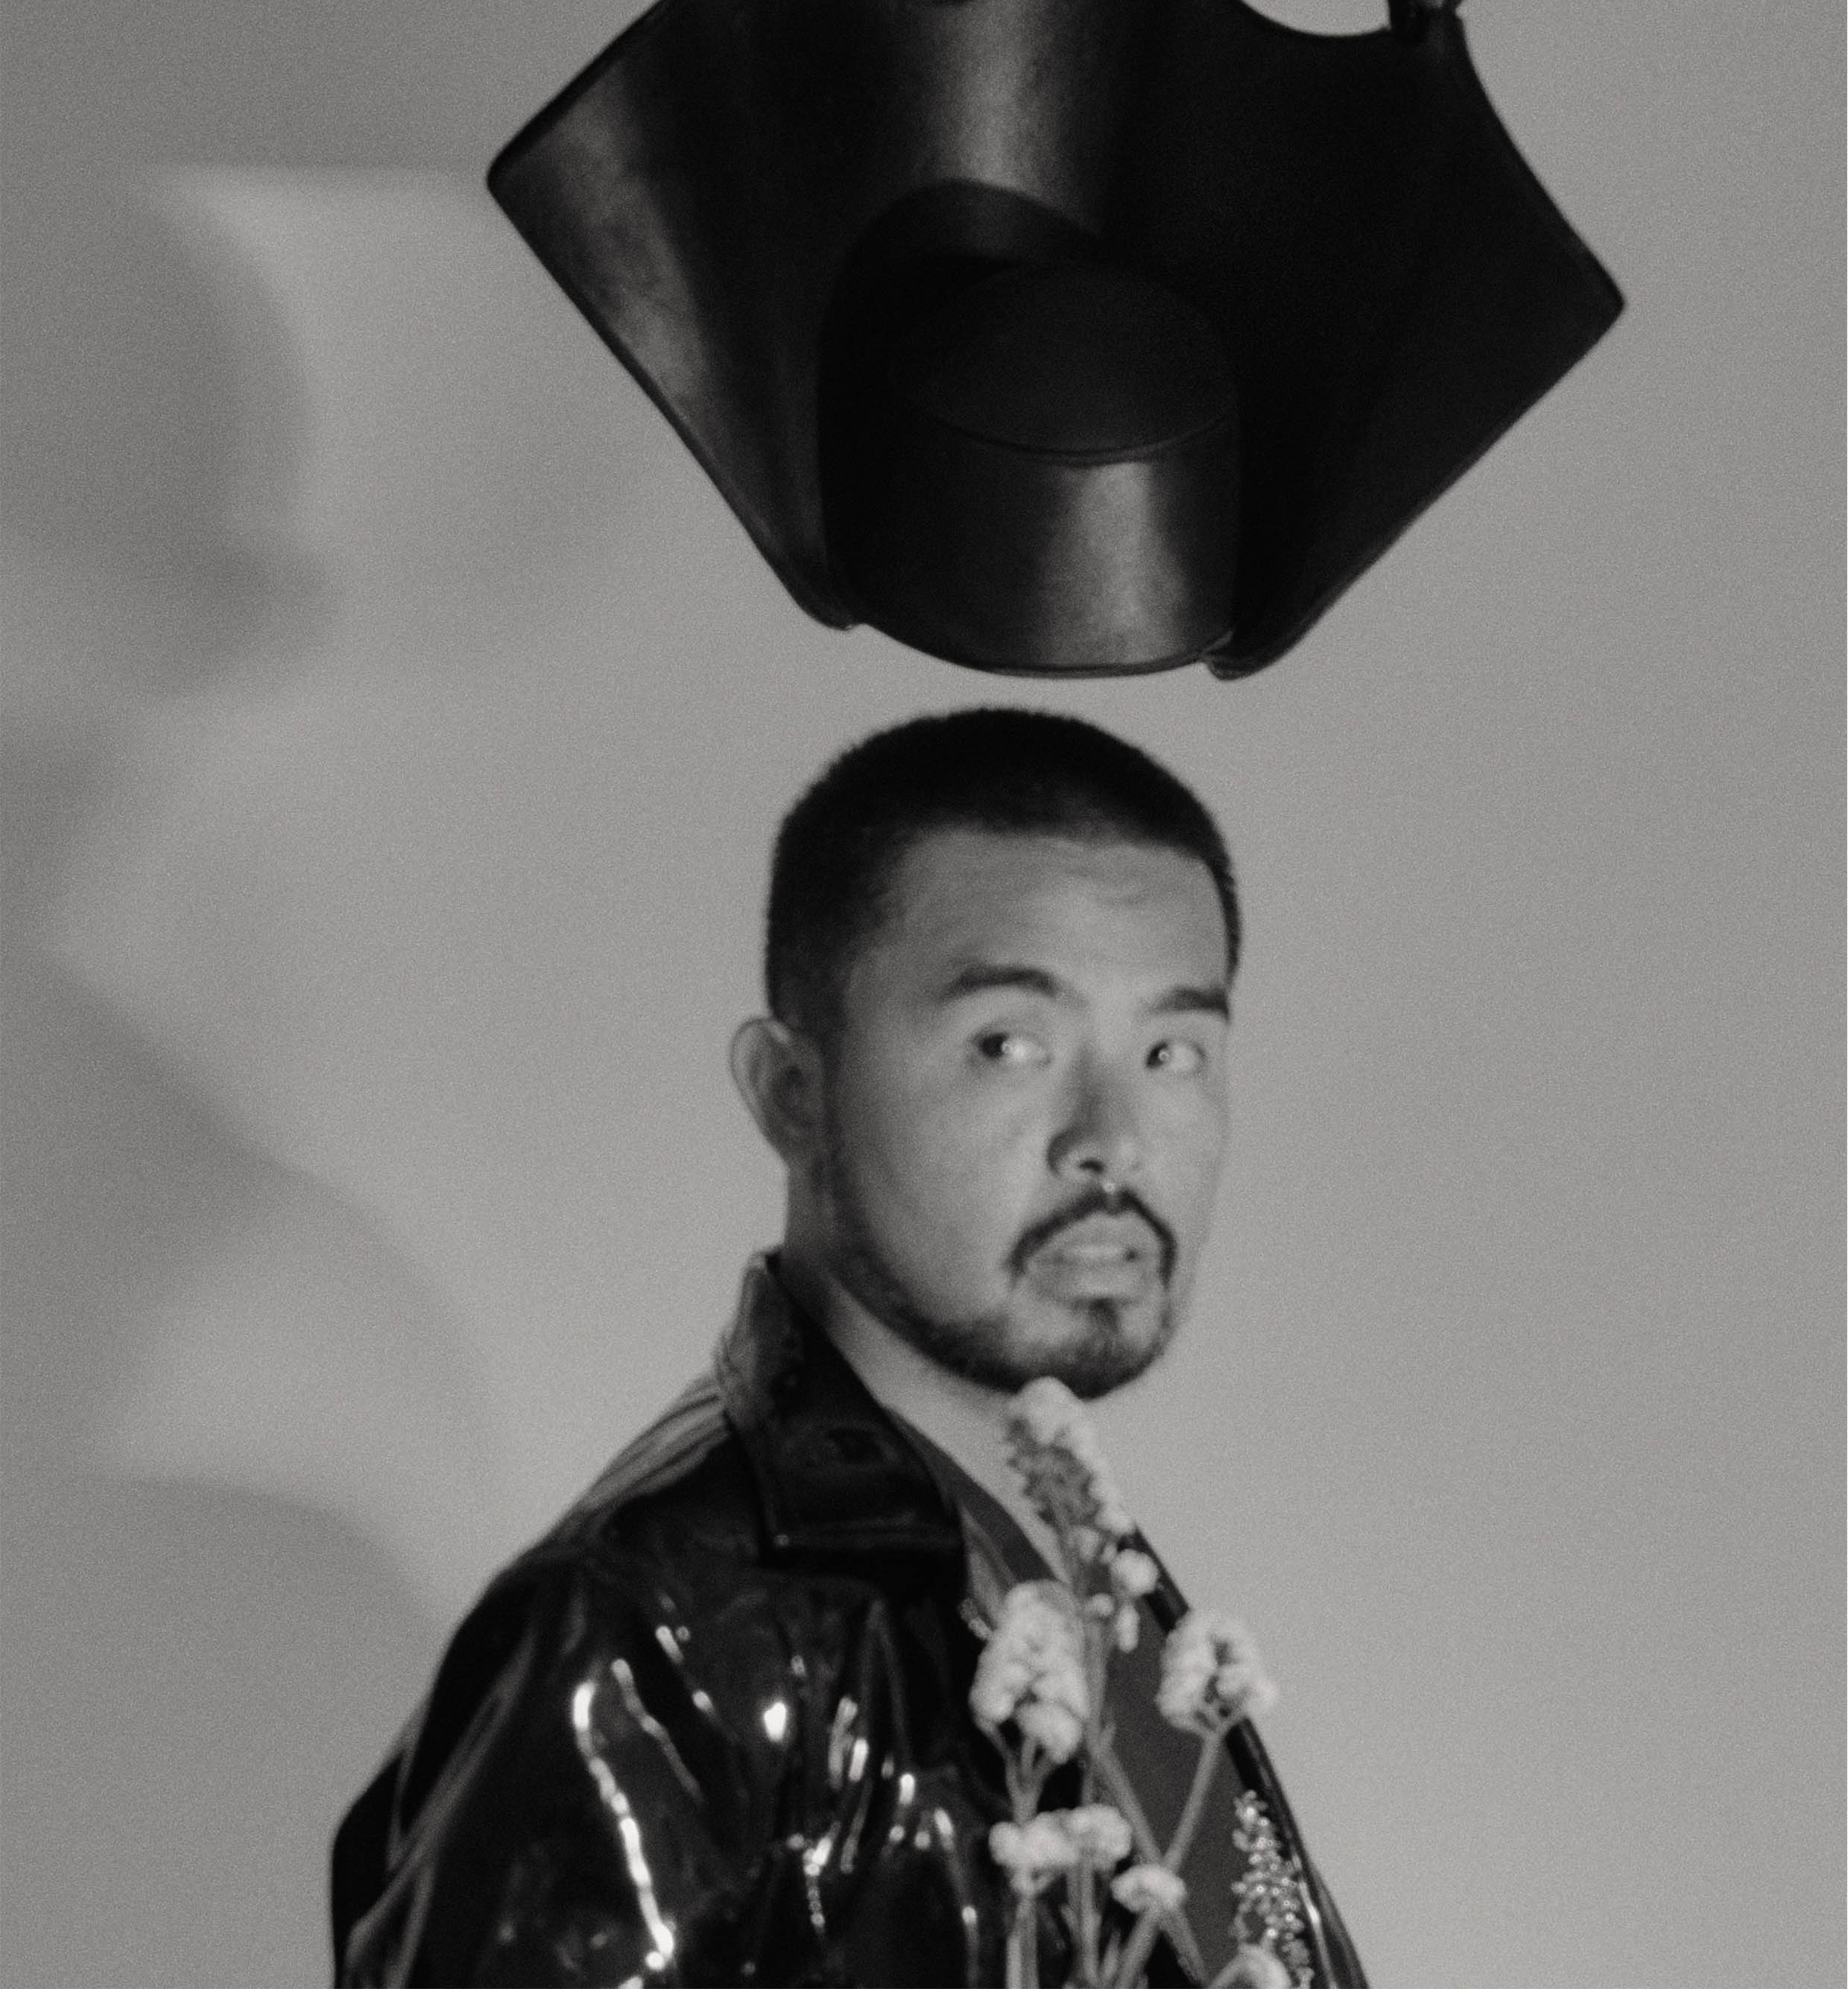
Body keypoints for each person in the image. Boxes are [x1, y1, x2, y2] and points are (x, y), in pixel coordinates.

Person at [329, 709, 1369, 1988]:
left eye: (1172, 1051)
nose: (1113, 1138)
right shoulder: (659, 1633)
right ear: (792, 1092)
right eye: (1009, 1044)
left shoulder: (1074, 1567)